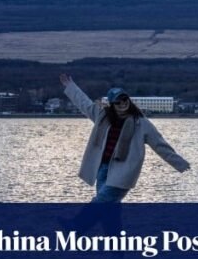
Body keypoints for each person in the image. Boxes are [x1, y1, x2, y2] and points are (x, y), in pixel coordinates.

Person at [59, 73, 190, 203]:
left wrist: (179, 163)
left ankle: (78, 223)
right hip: (103, 169)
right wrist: (71, 86)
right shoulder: (102, 117)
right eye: (118, 102)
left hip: (123, 171)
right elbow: (84, 104)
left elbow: (159, 144)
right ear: (112, 104)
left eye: (124, 100)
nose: (122, 104)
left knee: (101, 202)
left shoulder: (140, 123)